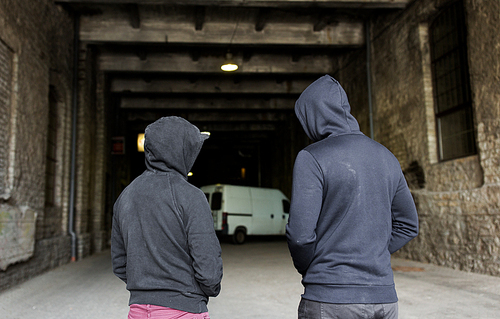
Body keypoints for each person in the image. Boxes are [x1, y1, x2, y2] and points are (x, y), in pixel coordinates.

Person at [286, 75, 419, 319]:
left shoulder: (311, 158)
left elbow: (300, 237)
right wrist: (372, 253)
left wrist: (312, 266)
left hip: (331, 300)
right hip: (384, 300)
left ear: (312, 116)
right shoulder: (387, 157)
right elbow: (409, 224)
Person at [111, 116, 223, 319]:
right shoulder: (191, 196)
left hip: (138, 311)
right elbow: (209, 270)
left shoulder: (125, 196)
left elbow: (119, 263)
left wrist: (146, 286)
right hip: (184, 310)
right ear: (183, 150)